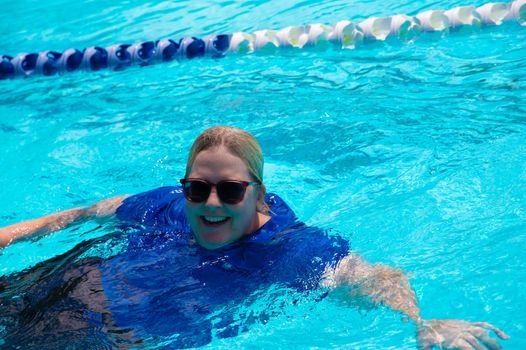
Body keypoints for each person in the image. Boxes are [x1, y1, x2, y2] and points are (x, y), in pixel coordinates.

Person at [0, 126, 509, 349]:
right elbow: (85, 213)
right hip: (64, 280)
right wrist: (10, 234)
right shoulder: (174, 202)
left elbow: (371, 277)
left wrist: (423, 320)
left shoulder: (292, 251)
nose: (212, 203)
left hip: (103, 338)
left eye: (231, 189)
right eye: (199, 188)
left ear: (260, 194)